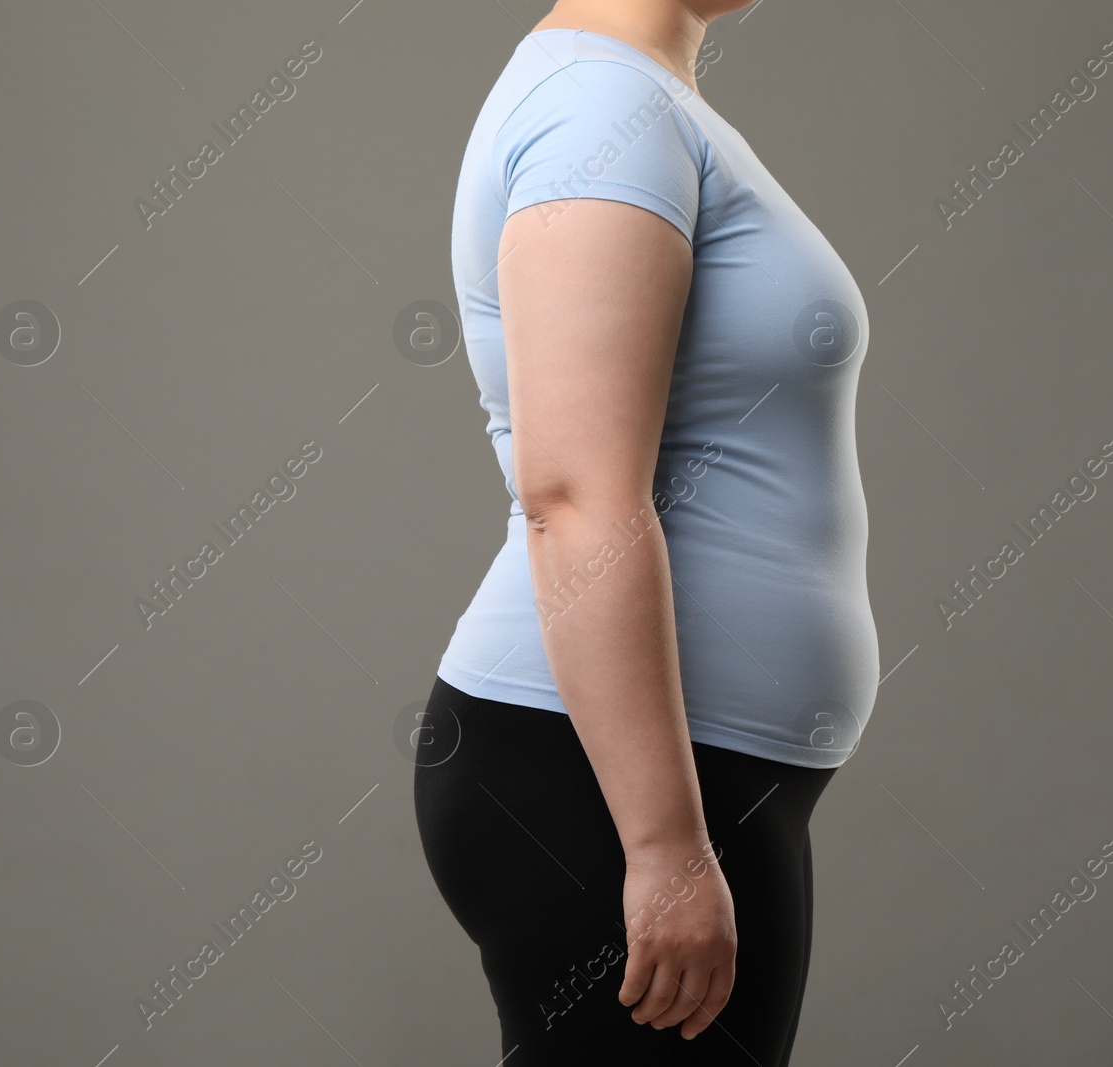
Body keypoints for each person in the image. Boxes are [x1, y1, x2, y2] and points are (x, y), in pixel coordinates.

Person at [413, 1, 879, 1063]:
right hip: (597, 779)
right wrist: (665, 846)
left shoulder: (643, 97)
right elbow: (572, 492)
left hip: (695, 781)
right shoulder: (596, 110)